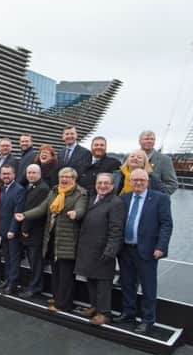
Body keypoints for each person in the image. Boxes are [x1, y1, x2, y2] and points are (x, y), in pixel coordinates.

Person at [16, 167, 88, 312]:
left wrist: (76, 213)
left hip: (68, 239)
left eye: (68, 177)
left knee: (66, 274)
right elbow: (42, 208)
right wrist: (25, 215)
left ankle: (64, 304)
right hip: (53, 237)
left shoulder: (80, 193)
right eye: (62, 176)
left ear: (74, 179)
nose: (64, 179)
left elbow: (81, 209)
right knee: (57, 271)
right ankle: (57, 297)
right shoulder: (55, 191)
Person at [116, 168, 173, 334]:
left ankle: (148, 320)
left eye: (142, 180)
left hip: (148, 250)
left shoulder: (160, 199)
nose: (138, 183)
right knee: (127, 283)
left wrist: (161, 247)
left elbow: (166, 224)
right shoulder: (124, 198)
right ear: (130, 182)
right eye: (135, 180)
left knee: (148, 287)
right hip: (126, 249)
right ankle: (128, 313)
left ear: (147, 181)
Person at [75, 173, 125, 324]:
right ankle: (94, 307)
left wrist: (110, 250)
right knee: (91, 279)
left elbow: (116, 230)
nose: (102, 186)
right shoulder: (92, 198)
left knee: (103, 282)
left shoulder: (116, 202)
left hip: (103, 249)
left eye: (106, 183)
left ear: (112, 185)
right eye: (99, 183)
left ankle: (105, 313)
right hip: (88, 248)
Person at [18, 164, 50, 298]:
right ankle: (33, 285)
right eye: (29, 172)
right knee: (32, 261)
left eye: (34, 173)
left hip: (34, 231)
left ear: (40, 174)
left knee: (36, 262)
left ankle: (35, 288)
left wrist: (25, 228)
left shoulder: (42, 189)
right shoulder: (31, 186)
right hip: (30, 231)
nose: (31, 175)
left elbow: (36, 210)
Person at [0, 165, 26, 294]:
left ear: (14, 174)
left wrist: (12, 230)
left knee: (14, 258)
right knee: (7, 257)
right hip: (3, 229)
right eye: (3, 174)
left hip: (12, 231)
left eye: (8, 174)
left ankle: (13, 283)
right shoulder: (2, 188)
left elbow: (18, 211)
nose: (6, 176)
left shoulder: (19, 190)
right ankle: (7, 280)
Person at [138, 130, 178, 195]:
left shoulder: (165, 160)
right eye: (146, 139)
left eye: (152, 139)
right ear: (139, 141)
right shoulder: (129, 157)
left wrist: (158, 198)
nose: (149, 141)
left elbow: (172, 184)